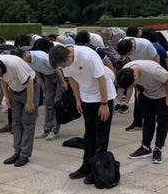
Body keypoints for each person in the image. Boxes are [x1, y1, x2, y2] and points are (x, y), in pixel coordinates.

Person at [49, 44, 117, 185]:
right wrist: (78, 100)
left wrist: (104, 104)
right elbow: (72, 79)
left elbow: (102, 80)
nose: (64, 67)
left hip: (103, 96)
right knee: (89, 132)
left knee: (101, 133)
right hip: (86, 97)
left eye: (64, 65)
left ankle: (98, 169)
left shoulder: (88, 56)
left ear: (69, 56)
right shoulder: (63, 59)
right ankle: (86, 166)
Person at [0, 55, 37, 167]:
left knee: (28, 122)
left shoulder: (14, 64)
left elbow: (30, 82)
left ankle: (25, 154)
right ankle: (17, 152)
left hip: (29, 90)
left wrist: (29, 102)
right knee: (16, 122)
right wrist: (7, 97)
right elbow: (2, 80)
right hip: (14, 90)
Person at [117, 59, 168, 164]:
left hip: (162, 95)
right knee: (147, 120)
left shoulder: (153, 70)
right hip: (147, 94)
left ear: (135, 77)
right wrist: (138, 91)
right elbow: (132, 83)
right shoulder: (126, 70)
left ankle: (158, 148)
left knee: (162, 122)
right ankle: (145, 147)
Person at [18, 44, 67, 140]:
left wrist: (63, 82)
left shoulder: (41, 57)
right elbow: (36, 70)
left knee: (57, 102)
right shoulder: (26, 61)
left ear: (25, 54)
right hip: (47, 77)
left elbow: (56, 68)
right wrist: (42, 83)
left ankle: (54, 130)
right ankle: (46, 129)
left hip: (58, 76)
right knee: (48, 103)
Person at [116, 36, 159, 128]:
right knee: (138, 95)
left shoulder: (146, 45)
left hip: (150, 70)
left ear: (132, 48)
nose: (126, 55)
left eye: (128, 53)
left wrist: (155, 73)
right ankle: (137, 122)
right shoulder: (122, 43)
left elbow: (156, 57)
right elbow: (128, 59)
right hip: (136, 70)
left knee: (150, 96)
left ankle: (152, 118)